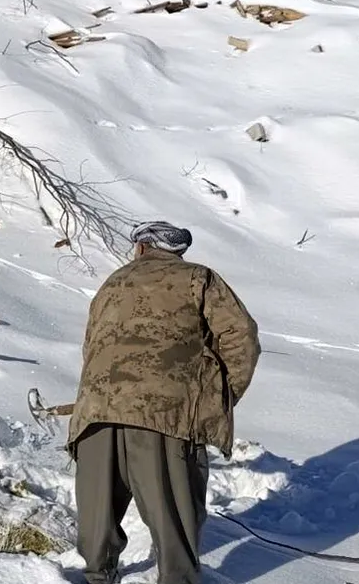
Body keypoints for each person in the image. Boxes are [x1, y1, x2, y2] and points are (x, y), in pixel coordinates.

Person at [68, 221, 261, 584]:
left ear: (140, 248)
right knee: (174, 521)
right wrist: (218, 398)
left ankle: (97, 578)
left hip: (94, 414)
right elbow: (242, 338)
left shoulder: (111, 284)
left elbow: (91, 346)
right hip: (163, 415)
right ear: (176, 252)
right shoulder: (198, 279)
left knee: (97, 520)